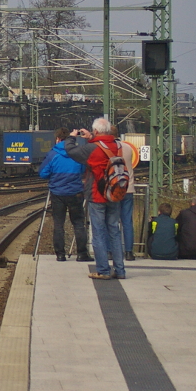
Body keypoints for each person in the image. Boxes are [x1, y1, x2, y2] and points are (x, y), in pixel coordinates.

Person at [64, 117, 126, 280]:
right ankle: (120, 270)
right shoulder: (118, 145)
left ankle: (103, 270)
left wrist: (72, 137)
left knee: (98, 233)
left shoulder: (92, 149)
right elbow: (104, 147)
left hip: (97, 195)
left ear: (96, 131)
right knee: (114, 231)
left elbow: (71, 151)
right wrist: (92, 137)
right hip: (114, 194)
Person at [39, 127, 93, 262]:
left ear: (57, 139)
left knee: (58, 224)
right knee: (79, 223)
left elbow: (43, 173)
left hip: (57, 193)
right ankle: (82, 254)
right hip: (75, 193)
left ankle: (60, 254)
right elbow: (83, 168)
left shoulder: (52, 154)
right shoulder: (77, 153)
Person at [111, 127, 139, 261]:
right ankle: (129, 252)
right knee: (127, 221)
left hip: (115, 189)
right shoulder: (127, 148)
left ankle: (112, 251)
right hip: (129, 188)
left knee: (112, 221)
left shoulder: (109, 148)